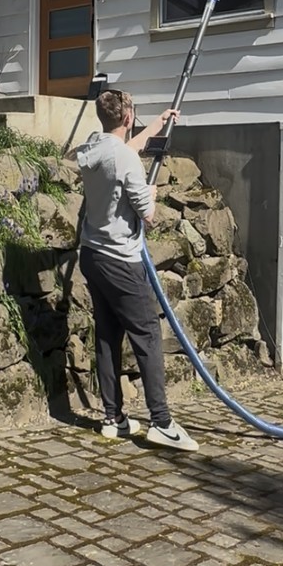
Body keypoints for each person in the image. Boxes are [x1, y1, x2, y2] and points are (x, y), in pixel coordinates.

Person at [75, 88, 199, 451]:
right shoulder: (127, 161)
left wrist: (158, 125)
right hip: (121, 261)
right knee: (146, 334)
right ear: (128, 118)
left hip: (92, 256)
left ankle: (113, 418)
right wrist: (151, 194)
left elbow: (124, 152)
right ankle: (161, 422)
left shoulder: (93, 148)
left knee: (107, 336)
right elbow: (148, 214)